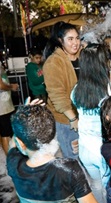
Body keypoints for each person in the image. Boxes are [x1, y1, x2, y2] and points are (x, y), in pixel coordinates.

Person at [6, 99, 111, 203]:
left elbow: (14, 144)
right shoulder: (68, 169)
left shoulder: (14, 164)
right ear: (53, 133)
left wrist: (24, 121)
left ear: (21, 143)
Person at [71, 43, 111, 203]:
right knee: (110, 189)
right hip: (105, 150)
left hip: (85, 149)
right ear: (102, 63)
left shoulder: (76, 91)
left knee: (96, 186)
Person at [43, 21, 80, 159]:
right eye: (70, 39)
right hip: (66, 120)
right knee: (73, 160)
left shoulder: (82, 57)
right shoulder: (54, 62)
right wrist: (73, 118)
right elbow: (57, 95)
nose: (75, 42)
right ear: (60, 40)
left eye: (77, 38)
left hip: (84, 117)